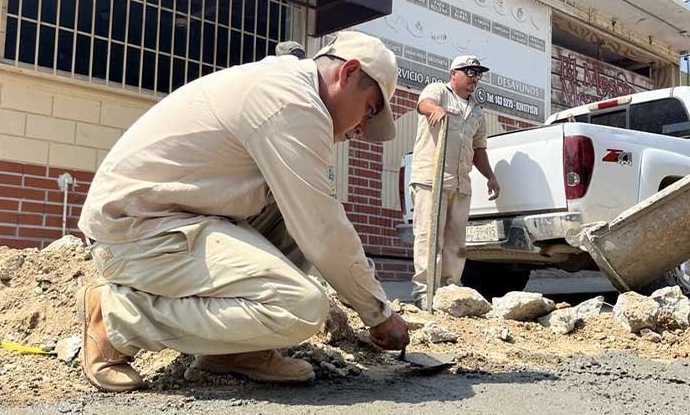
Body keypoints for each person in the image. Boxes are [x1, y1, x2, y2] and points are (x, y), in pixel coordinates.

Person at [76, 31, 410, 392]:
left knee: (291, 208)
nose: (362, 128)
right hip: (136, 234)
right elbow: (325, 230)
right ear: (348, 74)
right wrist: (378, 312)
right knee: (301, 308)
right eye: (370, 109)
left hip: (173, 219)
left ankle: (236, 351)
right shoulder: (292, 103)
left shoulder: (288, 89)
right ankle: (116, 320)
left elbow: (313, 218)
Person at [409, 55, 500, 307]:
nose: (474, 78)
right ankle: (424, 294)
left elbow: (478, 149)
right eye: (469, 72)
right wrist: (435, 109)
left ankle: (449, 292)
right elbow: (423, 104)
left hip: (460, 183)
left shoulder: (477, 112)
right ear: (453, 73)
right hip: (432, 178)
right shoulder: (438, 91)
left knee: (456, 242)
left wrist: (490, 176)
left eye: (478, 74)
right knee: (429, 236)